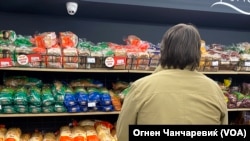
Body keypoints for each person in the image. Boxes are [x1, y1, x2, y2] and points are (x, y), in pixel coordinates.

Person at [116, 23, 228, 141]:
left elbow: (123, 135)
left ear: (164, 50)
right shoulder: (215, 90)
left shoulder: (140, 88)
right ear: (198, 53)